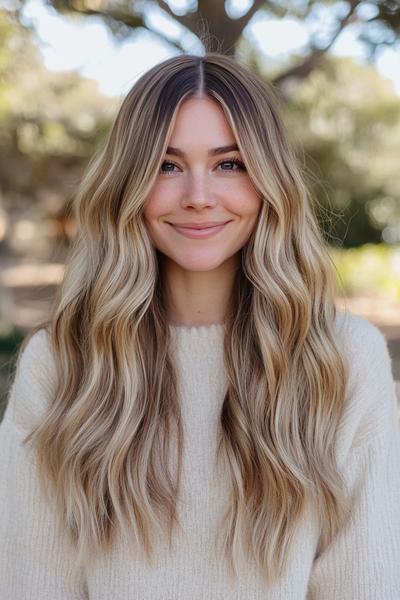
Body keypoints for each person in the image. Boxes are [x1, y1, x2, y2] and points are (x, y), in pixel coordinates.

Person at [0, 53, 399, 600]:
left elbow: (367, 585)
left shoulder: (344, 360)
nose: (198, 196)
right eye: (167, 165)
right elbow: (31, 584)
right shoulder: (64, 365)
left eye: (228, 164)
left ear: (268, 181)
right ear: (129, 186)